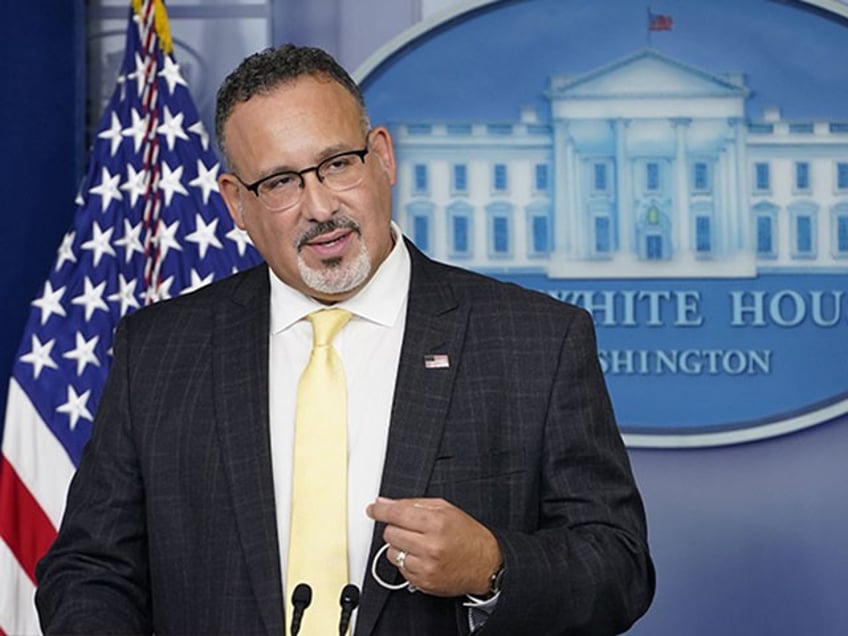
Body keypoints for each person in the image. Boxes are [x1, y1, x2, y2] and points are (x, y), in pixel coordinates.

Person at [36, 44, 654, 635]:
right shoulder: (160, 349)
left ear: (381, 156)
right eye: (279, 182)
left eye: (337, 164)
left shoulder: (535, 341)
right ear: (236, 204)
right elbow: (92, 569)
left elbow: (619, 567)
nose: (319, 205)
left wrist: (493, 566)